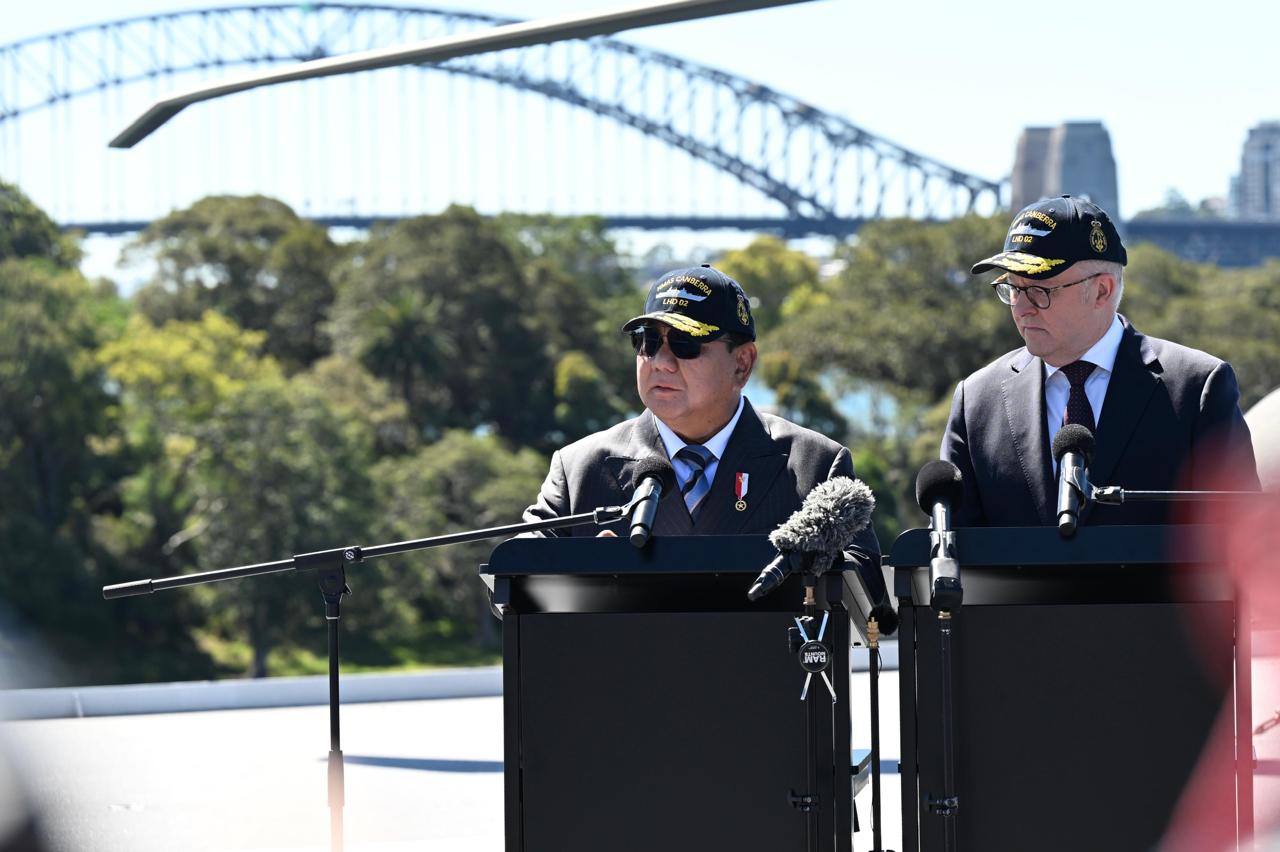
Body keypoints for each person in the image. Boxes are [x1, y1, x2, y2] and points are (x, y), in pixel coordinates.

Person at [523, 263, 882, 582]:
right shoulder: (580, 469)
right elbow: (514, 585)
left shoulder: (812, 464)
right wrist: (581, 575)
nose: (660, 361)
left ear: (741, 364)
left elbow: (865, 592)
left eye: (684, 343)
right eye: (648, 342)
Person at [941, 195, 1259, 527]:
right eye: (1013, 288)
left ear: (1102, 291)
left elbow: (1241, 540)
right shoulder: (976, 401)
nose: (1021, 308)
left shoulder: (1196, 388)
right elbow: (957, 547)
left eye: (1039, 289)